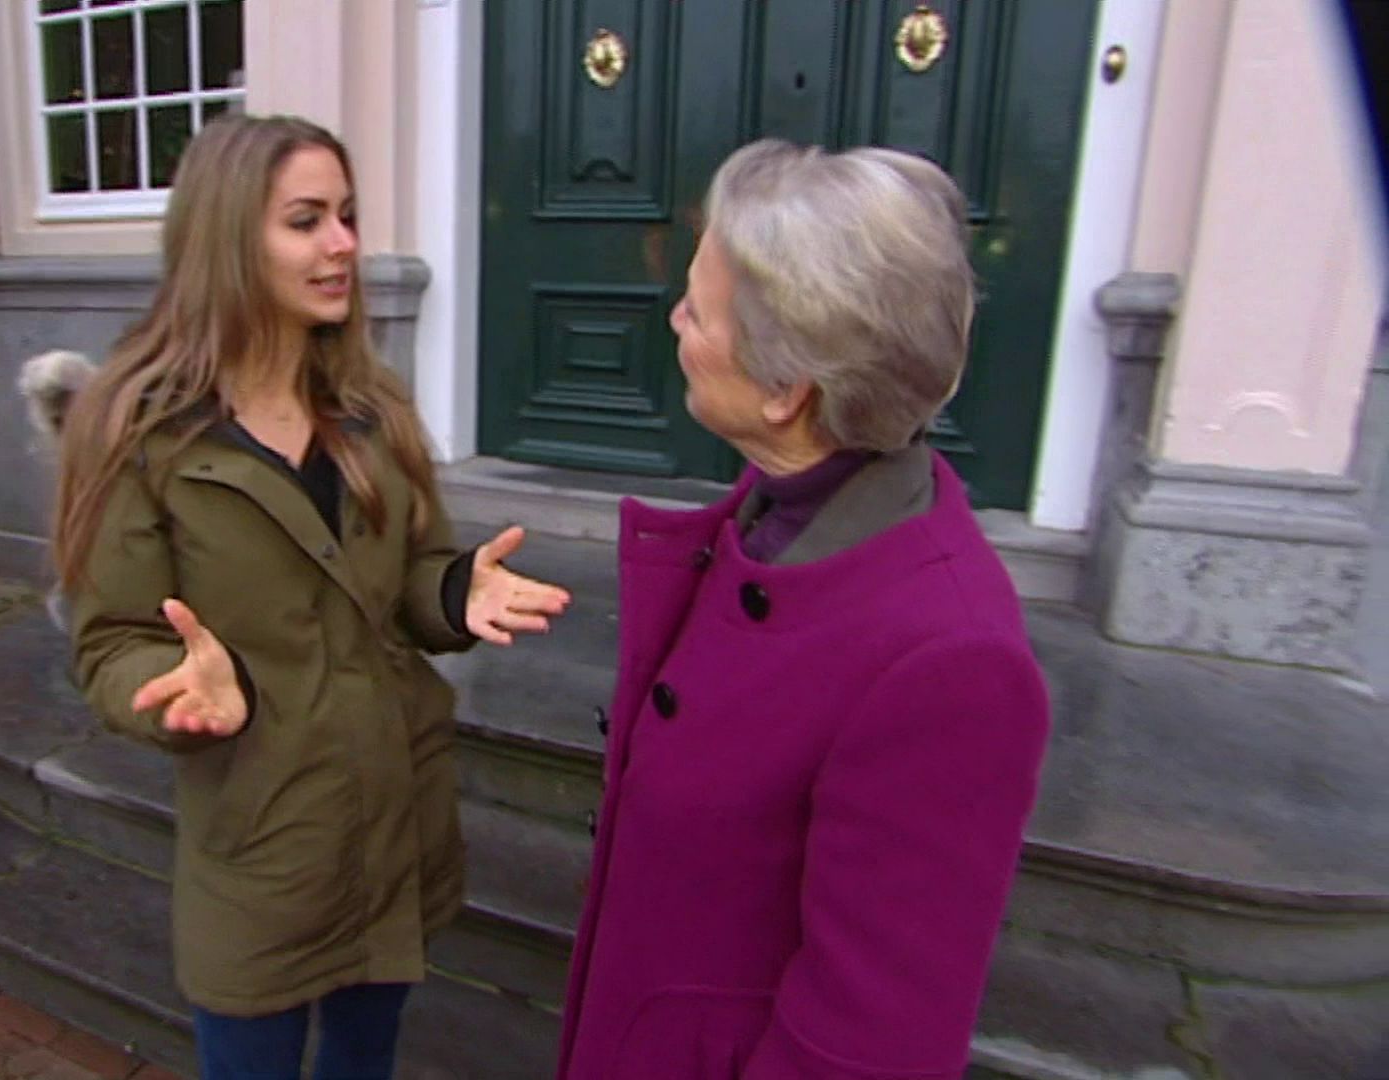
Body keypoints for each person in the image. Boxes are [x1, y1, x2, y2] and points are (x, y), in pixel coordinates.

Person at [52, 114, 570, 1080]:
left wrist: (453, 591)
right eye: (305, 220)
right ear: (227, 239)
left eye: (347, 215)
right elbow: (112, 641)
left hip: (398, 821)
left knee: (364, 1059)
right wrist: (176, 691)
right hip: (264, 839)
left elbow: (410, 576)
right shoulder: (140, 431)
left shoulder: (373, 407)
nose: (342, 244)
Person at [557, 139, 1051, 1079]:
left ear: (788, 390)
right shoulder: (775, 519)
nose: (674, 320)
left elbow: (868, 1045)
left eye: (697, 309)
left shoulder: (953, 664)